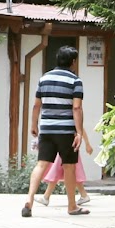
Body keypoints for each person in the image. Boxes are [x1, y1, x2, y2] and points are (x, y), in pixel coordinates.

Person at [22, 45, 93, 217]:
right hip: (66, 131)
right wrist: (78, 132)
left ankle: (29, 200)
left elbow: (36, 105)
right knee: (69, 167)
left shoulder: (44, 78)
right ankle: (72, 206)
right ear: (73, 61)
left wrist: (34, 125)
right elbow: (76, 108)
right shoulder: (75, 81)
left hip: (46, 129)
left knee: (41, 164)